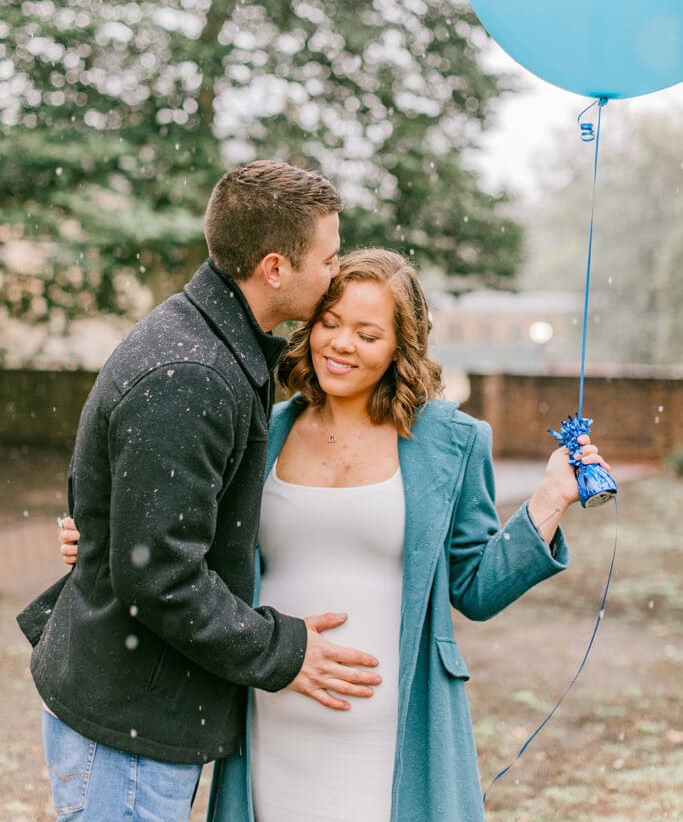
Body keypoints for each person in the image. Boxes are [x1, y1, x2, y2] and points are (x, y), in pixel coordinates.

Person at [57, 248, 611, 822]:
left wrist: (548, 501)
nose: (342, 344)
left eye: (368, 334)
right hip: (271, 721)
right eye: (330, 323)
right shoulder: (263, 430)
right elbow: (186, 543)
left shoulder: (453, 440)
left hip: (390, 736)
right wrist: (106, 538)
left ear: (402, 346)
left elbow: (475, 587)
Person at [17, 161, 383, 822]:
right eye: (327, 260)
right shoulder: (193, 372)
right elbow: (158, 574)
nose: (335, 273)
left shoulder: (208, 342)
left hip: (138, 708)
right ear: (275, 268)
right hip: (127, 722)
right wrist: (283, 650)